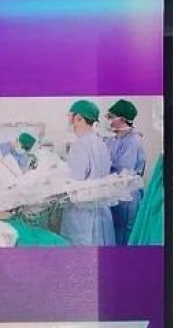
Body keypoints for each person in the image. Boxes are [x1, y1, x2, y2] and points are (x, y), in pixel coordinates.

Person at [61, 100, 115, 247]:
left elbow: (74, 182)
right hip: (99, 210)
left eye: (70, 116)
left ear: (79, 118)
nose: (69, 120)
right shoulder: (100, 143)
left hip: (82, 213)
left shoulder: (79, 145)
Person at [106, 100, 147, 244]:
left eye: (111, 117)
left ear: (122, 119)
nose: (108, 120)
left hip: (128, 196)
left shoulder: (133, 140)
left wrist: (104, 167)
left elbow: (124, 169)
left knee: (125, 236)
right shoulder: (114, 140)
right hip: (116, 194)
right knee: (115, 234)